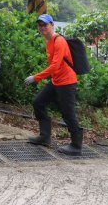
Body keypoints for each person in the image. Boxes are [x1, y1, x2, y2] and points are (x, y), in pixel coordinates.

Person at [25, 14, 83, 156]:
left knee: (68, 113)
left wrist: (36, 77)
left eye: (45, 24)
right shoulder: (48, 41)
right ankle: (45, 137)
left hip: (67, 82)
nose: (42, 27)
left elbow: (55, 66)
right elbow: (55, 66)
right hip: (56, 81)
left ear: (52, 25)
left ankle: (76, 146)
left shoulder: (59, 41)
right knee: (38, 103)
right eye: (40, 25)